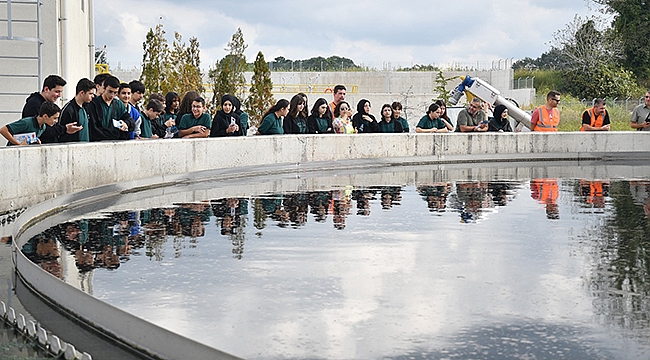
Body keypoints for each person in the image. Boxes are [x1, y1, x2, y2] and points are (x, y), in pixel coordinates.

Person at [22, 74, 80, 143]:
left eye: (61, 92)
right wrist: (64, 129)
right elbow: (39, 129)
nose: (59, 95)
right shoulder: (34, 105)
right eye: (57, 91)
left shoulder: (46, 103)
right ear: (46, 89)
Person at [85, 75, 135, 141]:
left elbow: (130, 120)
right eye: (110, 91)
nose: (112, 95)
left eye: (115, 92)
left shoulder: (118, 104)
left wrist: (125, 123)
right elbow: (94, 129)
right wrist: (116, 133)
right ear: (104, 88)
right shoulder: (93, 104)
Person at [59, 78, 95, 143]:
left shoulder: (87, 107)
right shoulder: (68, 110)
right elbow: (61, 133)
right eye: (90, 93)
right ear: (82, 93)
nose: (93, 96)